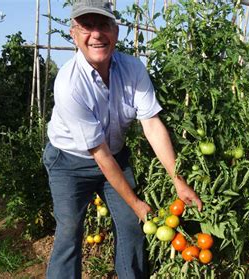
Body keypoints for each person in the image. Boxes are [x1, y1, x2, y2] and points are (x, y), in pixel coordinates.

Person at [42, 0, 202, 278]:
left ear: (115, 31)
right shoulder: (69, 84)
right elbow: (98, 154)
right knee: (69, 231)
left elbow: (151, 124)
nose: (96, 34)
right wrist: (138, 204)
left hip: (114, 156)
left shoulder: (132, 69)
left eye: (103, 25)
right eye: (87, 26)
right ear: (73, 33)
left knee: (130, 225)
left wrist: (178, 180)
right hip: (68, 162)